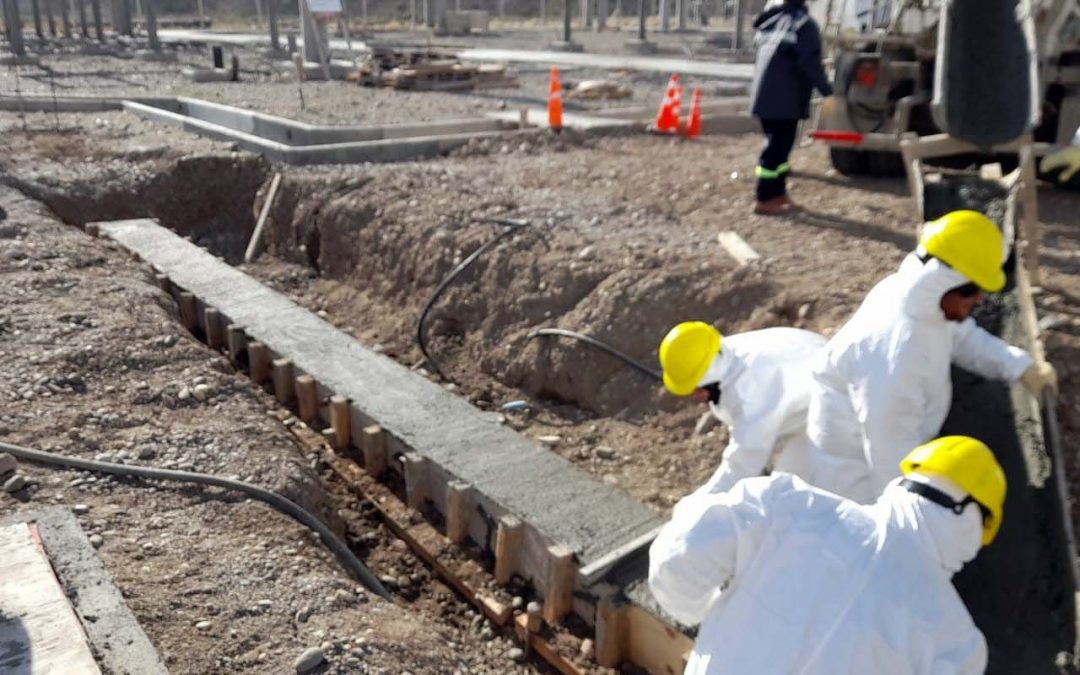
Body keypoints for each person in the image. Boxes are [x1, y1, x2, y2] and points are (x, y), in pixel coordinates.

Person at [649, 435, 1004, 675]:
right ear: (970, 517)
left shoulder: (790, 504)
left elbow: (679, 556)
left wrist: (702, 613)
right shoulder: (957, 640)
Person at [805, 210, 1057, 503]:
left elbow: (963, 337)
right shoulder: (896, 353)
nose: (978, 299)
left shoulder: (924, 306)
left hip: (901, 440)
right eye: (971, 291)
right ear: (943, 283)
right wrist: (912, 522)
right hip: (859, 481)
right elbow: (891, 456)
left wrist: (1021, 367)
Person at [658, 321, 826, 494]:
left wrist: (703, 502)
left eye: (695, 389)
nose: (694, 396)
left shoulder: (749, 388)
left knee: (798, 492)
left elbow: (745, 458)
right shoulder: (724, 357)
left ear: (709, 381)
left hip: (836, 412)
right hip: (807, 405)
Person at [749, 0, 833, 215]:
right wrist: (828, 92)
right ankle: (764, 198)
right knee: (775, 150)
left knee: (781, 148)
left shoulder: (770, 21)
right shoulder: (804, 25)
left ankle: (778, 194)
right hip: (785, 98)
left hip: (764, 96)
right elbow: (810, 63)